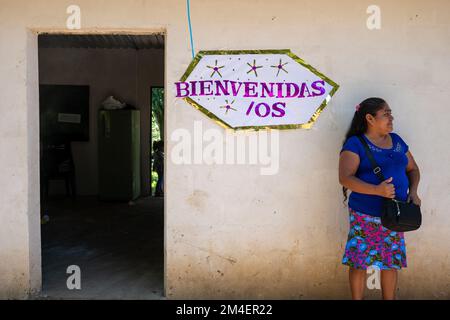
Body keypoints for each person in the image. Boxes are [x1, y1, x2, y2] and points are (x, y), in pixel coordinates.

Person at [338, 97, 421, 300]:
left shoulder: (397, 141)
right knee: (360, 260)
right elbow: (345, 178)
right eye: (385, 114)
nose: (391, 118)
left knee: (390, 260)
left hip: (395, 214)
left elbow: (413, 169)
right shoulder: (356, 144)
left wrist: (413, 192)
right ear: (369, 118)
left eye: (390, 113)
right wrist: (377, 190)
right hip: (365, 213)